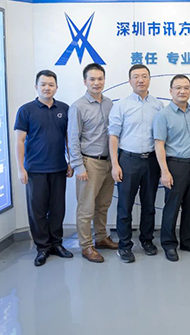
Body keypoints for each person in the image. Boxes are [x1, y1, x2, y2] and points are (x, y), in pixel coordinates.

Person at [14, 70, 74, 267]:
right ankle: (42, 247)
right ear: (36, 87)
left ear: (56, 87)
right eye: (43, 84)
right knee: (37, 210)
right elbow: (20, 141)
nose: (47, 88)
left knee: (57, 209)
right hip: (35, 169)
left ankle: (57, 244)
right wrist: (21, 168)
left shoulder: (64, 109)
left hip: (58, 168)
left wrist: (70, 161)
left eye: (51, 84)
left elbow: (68, 138)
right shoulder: (26, 110)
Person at [109, 64, 163, 263]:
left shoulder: (158, 105)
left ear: (149, 79)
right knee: (125, 206)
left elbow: (161, 137)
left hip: (151, 161)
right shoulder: (121, 105)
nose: (140, 80)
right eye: (136, 76)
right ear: (129, 80)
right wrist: (115, 164)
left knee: (149, 205)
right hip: (128, 160)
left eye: (144, 76)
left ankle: (147, 240)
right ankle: (124, 245)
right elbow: (113, 136)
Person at [153, 75, 190, 262]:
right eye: (178, 88)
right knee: (172, 207)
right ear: (171, 91)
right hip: (175, 165)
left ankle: (187, 241)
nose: (182, 91)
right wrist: (164, 171)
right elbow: (159, 144)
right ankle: (169, 244)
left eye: (186, 88)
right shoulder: (163, 115)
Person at [68, 63, 117, 263]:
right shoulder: (78, 106)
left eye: (100, 79)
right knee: (86, 208)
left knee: (103, 204)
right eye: (92, 79)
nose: (96, 83)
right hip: (89, 163)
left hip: (108, 162)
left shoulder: (109, 103)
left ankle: (101, 237)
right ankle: (86, 246)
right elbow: (72, 138)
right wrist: (78, 166)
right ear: (85, 81)